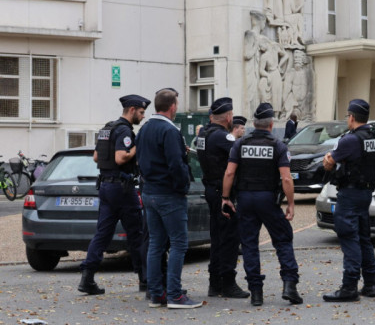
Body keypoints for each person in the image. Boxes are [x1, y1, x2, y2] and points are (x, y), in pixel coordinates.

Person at [220, 103, 303, 307]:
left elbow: (230, 173)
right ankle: (290, 285)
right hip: (268, 199)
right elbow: (286, 179)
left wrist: (225, 198)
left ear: (254, 123)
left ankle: (256, 292)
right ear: (272, 124)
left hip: (246, 199)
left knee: (249, 244)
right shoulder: (278, 145)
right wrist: (291, 203)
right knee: (283, 239)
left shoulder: (240, 143)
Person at [78, 94, 150, 295]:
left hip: (106, 186)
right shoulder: (125, 130)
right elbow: (121, 157)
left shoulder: (107, 128)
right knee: (136, 234)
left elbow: (95, 157)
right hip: (122, 188)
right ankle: (144, 279)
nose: (143, 117)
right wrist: (138, 145)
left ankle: (87, 277)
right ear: (133, 110)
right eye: (142, 112)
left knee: (102, 234)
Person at [136, 88, 202, 309]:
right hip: (168, 194)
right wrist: (182, 186)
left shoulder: (144, 129)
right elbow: (176, 164)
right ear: (173, 106)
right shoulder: (170, 131)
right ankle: (175, 295)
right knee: (178, 244)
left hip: (149, 191)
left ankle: (157, 294)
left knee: (156, 244)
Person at [322, 99, 375, 302]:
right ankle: (371, 283)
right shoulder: (374, 137)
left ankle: (349, 287)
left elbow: (329, 162)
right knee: (364, 237)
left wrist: (329, 157)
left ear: (352, 117)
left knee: (349, 237)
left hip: (350, 193)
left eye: (348, 116)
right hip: (365, 193)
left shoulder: (350, 140)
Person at [194, 98, 249, 299]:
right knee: (228, 239)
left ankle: (214, 283)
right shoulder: (223, 138)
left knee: (217, 238)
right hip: (223, 193)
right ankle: (228, 283)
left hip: (211, 189)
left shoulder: (203, 134)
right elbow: (241, 159)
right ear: (228, 117)